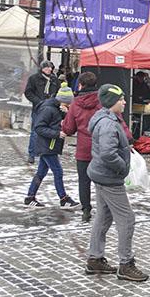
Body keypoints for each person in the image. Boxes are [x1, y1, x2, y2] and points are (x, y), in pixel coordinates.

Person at [85, 84, 148, 282]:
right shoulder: (108, 124)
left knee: (104, 217)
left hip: (101, 175)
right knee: (127, 219)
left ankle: (94, 259)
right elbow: (107, 153)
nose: (124, 101)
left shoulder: (107, 118)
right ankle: (126, 264)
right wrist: (123, 167)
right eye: (121, 98)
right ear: (112, 102)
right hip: (109, 178)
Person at [62, 72, 132, 221]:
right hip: (102, 147)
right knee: (103, 179)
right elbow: (118, 122)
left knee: (84, 181)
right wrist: (128, 140)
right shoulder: (103, 102)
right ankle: (106, 209)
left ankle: (86, 210)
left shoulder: (75, 104)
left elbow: (68, 129)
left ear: (80, 85)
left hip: (83, 149)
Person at [24, 84, 79, 208]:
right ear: (63, 101)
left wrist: (67, 112)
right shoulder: (48, 109)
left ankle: (30, 197)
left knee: (41, 172)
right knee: (58, 171)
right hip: (47, 145)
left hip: (50, 145)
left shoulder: (57, 108)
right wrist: (57, 134)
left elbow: (62, 121)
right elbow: (38, 127)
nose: (71, 106)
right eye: (69, 104)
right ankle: (63, 198)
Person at [24, 60, 61, 164]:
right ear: (42, 68)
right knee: (35, 131)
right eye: (46, 67)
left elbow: (59, 93)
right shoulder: (34, 78)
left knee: (49, 131)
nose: (49, 69)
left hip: (51, 109)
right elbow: (28, 92)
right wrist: (39, 102)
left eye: (50, 67)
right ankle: (32, 154)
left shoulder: (55, 80)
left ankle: (45, 153)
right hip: (38, 108)